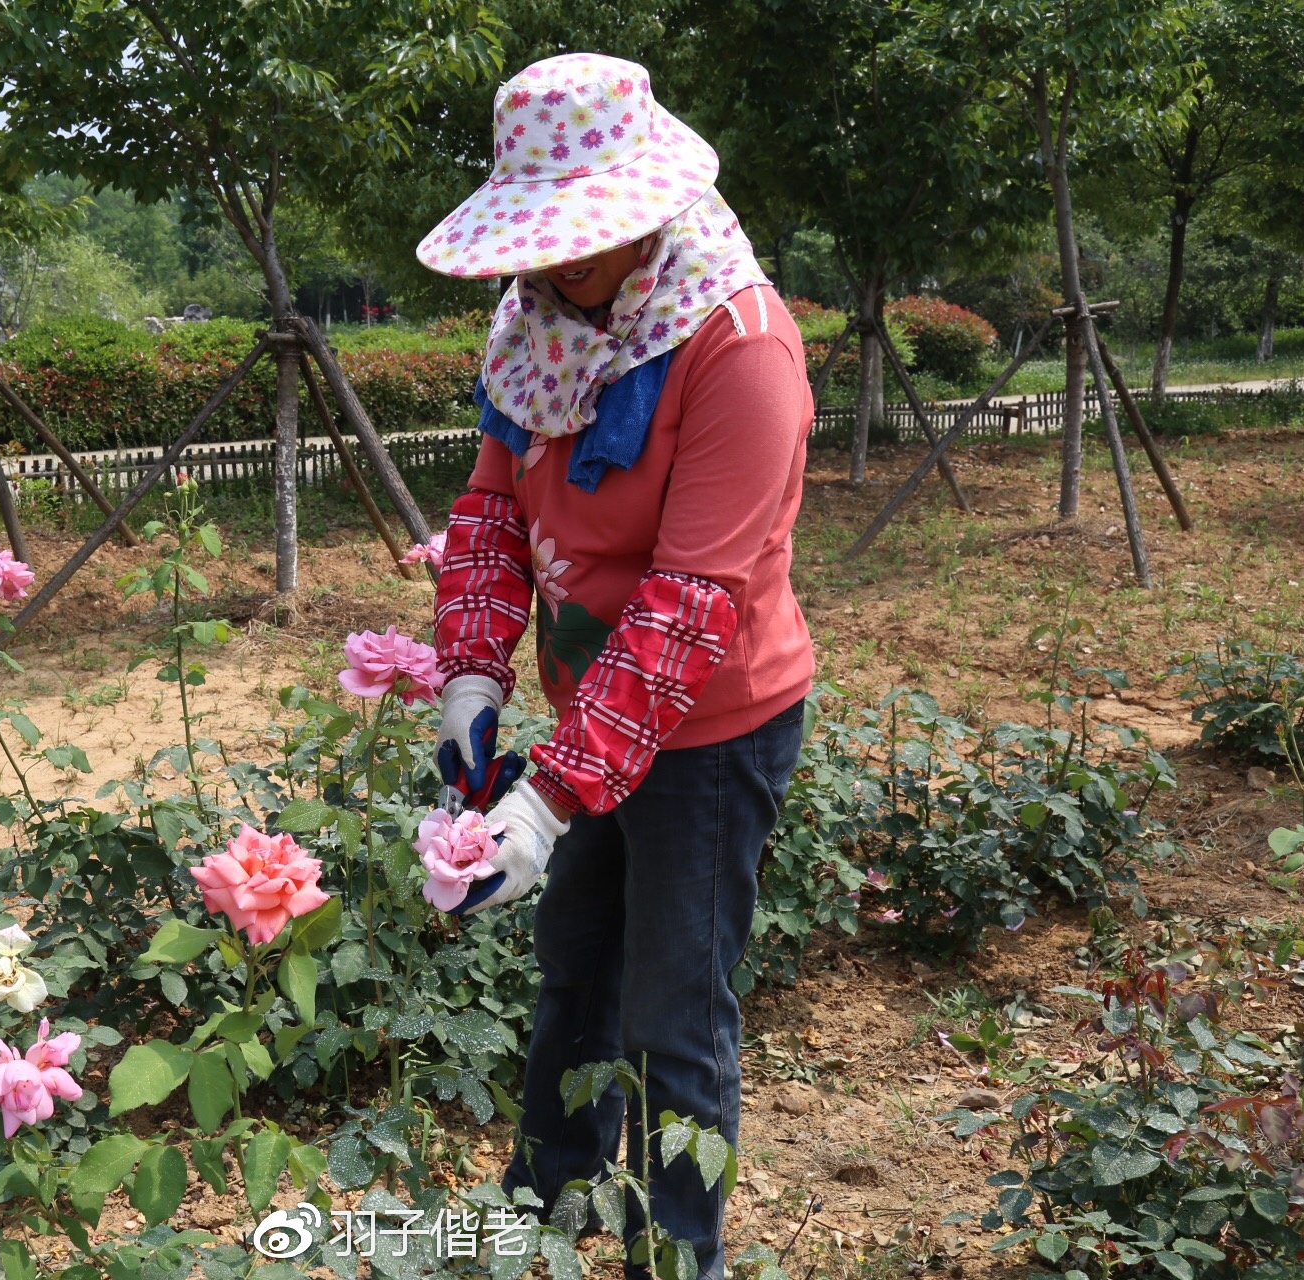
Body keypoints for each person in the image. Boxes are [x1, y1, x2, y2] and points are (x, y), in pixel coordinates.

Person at [414, 53, 815, 1278]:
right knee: (574, 977)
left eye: (571, 245)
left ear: (645, 215)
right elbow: (490, 511)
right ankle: (540, 1215)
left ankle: (674, 1253)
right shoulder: (539, 323)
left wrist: (546, 799)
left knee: (673, 1015)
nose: (545, 271)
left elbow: (690, 609)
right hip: (590, 708)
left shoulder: (737, 347)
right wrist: (471, 676)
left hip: (710, 723)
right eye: (532, 247)